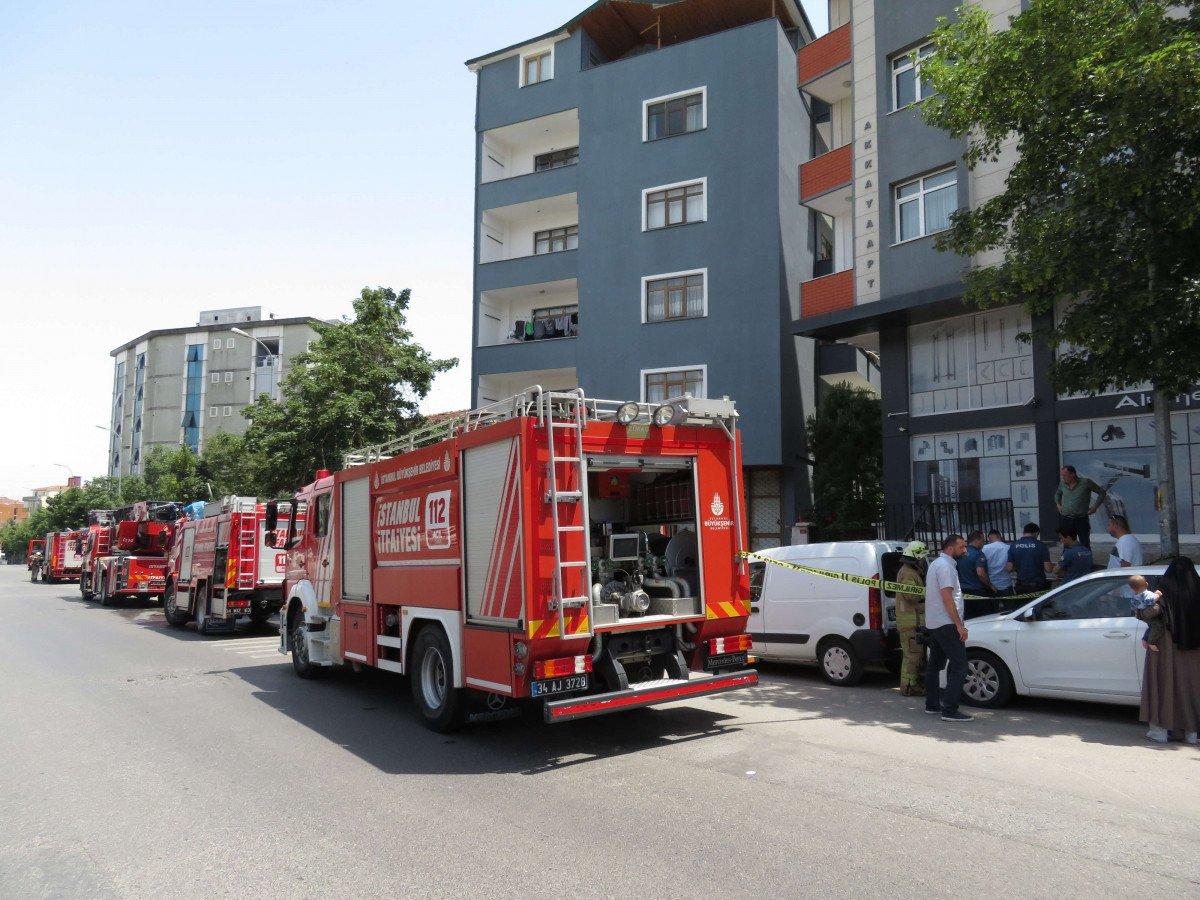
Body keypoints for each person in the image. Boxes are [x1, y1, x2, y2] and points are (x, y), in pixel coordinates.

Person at [1137, 556, 1200, 745]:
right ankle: (1191, 734)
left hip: (1164, 648)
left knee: (1162, 686)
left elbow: (1148, 612)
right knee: (1190, 689)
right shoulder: (1197, 591)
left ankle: (1160, 732)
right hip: (1194, 650)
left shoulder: (1164, 592)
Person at [924, 534, 973, 722]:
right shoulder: (945, 567)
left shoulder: (936, 564)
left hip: (936, 623)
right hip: (947, 623)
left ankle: (932, 705)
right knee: (960, 665)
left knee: (934, 665)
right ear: (951, 548)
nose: (965, 550)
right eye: (962, 547)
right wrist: (959, 625)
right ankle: (950, 710)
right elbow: (947, 598)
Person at [894, 541, 928, 697]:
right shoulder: (909, 573)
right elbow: (910, 595)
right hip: (910, 622)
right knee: (912, 656)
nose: (923, 560)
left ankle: (912, 684)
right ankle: (908, 687)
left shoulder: (910, 571)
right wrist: (927, 594)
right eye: (922, 557)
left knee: (915, 655)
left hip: (912, 621)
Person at [1055, 465, 1106, 549]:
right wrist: (1058, 504)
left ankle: (1085, 556)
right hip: (1066, 518)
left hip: (1081, 518)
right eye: (1062, 475)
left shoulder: (1086, 482)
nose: (1063, 478)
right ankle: (1067, 557)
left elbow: (1102, 492)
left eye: (1065, 475)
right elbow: (1058, 494)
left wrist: (1095, 507)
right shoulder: (1062, 484)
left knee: (1084, 542)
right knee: (1067, 543)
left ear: (1072, 474)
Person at [1008, 522, 1053, 595]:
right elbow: (1048, 569)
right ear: (1036, 533)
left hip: (1021, 586)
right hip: (1038, 586)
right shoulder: (1041, 546)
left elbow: (1009, 568)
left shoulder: (1013, 545)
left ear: (1024, 532)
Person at [1127, 574, 1163, 652]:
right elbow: (1150, 601)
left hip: (1142, 616)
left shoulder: (1134, 597)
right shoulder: (1146, 594)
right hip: (1149, 615)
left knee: (1151, 626)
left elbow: (1133, 607)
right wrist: (1158, 594)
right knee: (1157, 626)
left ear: (1132, 589)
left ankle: (1145, 639)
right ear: (1146, 584)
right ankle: (1151, 642)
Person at [982, 529, 1015, 599]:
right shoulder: (1008, 548)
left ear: (989, 538)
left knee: (992, 606)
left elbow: (982, 567)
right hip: (1006, 584)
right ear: (1000, 536)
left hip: (991, 585)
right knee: (1009, 606)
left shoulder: (984, 549)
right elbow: (1012, 567)